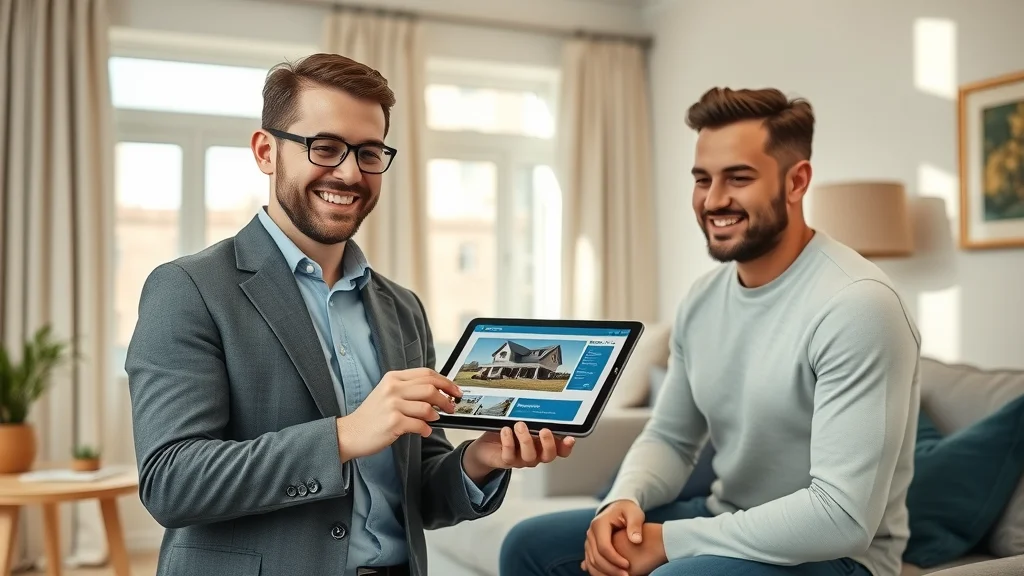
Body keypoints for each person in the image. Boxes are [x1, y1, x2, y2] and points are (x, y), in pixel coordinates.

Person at [125, 52, 575, 576]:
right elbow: (171, 482)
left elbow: (417, 493)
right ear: (265, 151)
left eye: (367, 153)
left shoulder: (402, 308)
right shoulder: (188, 289)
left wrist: (481, 460)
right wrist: (343, 436)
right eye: (326, 147)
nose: (349, 172)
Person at [499, 87, 921, 576]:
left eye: (738, 178)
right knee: (528, 545)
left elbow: (841, 518)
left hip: (837, 555)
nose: (714, 200)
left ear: (796, 181)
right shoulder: (702, 298)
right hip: (729, 519)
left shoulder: (858, 305)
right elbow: (673, 437)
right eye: (703, 180)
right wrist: (622, 499)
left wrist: (671, 542)